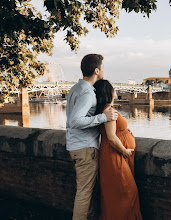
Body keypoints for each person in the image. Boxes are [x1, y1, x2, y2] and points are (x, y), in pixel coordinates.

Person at [66, 54, 118, 220]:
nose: (104, 70)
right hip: (85, 148)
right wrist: (104, 118)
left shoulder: (75, 89)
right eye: (102, 67)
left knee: (87, 192)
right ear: (97, 70)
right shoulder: (87, 93)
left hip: (76, 146)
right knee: (84, 194)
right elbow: (75, 121)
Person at [94, 79, 143, 220]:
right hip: (114, 156)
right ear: (109, 92)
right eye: (113, 89)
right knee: (127, 192)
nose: (115, 91)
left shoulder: (106, 110)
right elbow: (111, 137)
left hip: (113, 155)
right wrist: (125, 151)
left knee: (117, 194)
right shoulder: (109, 111)